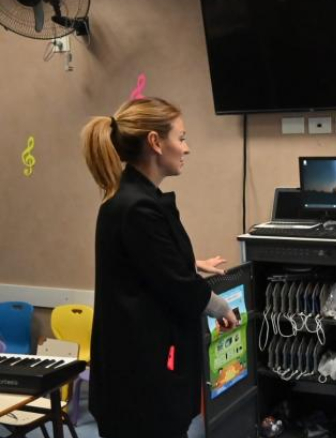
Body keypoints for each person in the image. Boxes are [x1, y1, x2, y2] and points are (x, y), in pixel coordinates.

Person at [81, 97, 239, 438]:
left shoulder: (129, 198)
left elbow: (142, 262)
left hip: (135, 376)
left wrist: (188, 263)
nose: (187, 148)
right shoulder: (138, 207)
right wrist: (222, 307)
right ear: (155, 142)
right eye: (181, 138)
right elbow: (177, 287)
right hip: (142, 382)